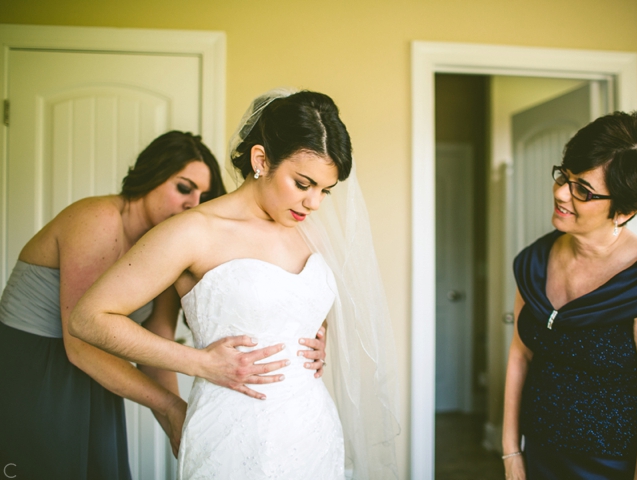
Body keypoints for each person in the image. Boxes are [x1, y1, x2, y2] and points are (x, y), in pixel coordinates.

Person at [70, 89, 400, 479]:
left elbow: (290, 304)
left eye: (324, 191)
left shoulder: (309, 232)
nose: (314, 203)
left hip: (311, 427)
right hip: (232, 432)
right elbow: (89, 318)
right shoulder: (193, 232)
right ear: (261, 160)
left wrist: (316, 331)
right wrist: (200, 363)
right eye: (303, 183)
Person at [0, 130, 326, 480]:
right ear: (152, 175)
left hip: (102, 375)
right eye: (184, 188)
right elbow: (80, 344)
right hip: (37, 369)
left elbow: (157, 341)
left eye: (203, 195)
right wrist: (176, 399)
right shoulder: (98, 218)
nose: (193, 203)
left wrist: (302, 334)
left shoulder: (169, 249)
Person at [502, 111, 637, 480]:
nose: (560, 193)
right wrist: (511, 452)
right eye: (564, 176)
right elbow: (520, 356)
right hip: (539, 458)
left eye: (583, 190)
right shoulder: (535, 261)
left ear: (625, 210)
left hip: (612, 469)